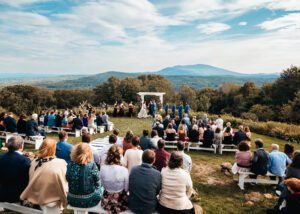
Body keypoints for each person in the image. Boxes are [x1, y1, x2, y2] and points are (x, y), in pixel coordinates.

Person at [20, 139, 68, 213]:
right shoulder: (60, 163)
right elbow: (63, 183)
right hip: (50, 198)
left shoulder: (34, 162)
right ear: (53, 149)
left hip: (35, 195)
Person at [66, 143, 103, 208]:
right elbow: (98, 184)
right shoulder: (92, 166)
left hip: (72, 200)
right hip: (90, 201)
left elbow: (67, 178)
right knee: (102, 188)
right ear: (89, 154)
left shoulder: (70, 165)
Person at [129, 150, 162, 214]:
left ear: (142, 159)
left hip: (134, 205)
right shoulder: (157, 174)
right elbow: (157, 191)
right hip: (149, 207)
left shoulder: (134, 169)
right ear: (154, 160)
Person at [0, 136, 31, 203]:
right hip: (18, 194)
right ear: (21, 146)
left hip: (2, 192)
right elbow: (28, 178)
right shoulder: (24, 160)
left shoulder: (1, 158)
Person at [100, 145, 129, 213]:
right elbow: (126, 188)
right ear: (120, 157)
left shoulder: (103, 168)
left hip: (106, 201)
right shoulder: (124, 170)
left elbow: (103, 185)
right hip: (120, 201)